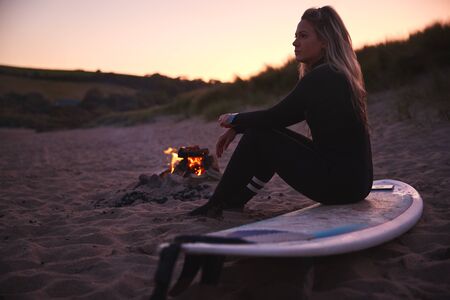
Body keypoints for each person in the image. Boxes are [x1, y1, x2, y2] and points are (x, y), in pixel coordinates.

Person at [189, 6, 373, 218]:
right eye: (295, 36)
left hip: (341, 186)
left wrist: (234, 119)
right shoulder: (334, 74)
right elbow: (277, 121)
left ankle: (215, 205)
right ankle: (232, 202)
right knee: (264, 134)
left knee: (260, 136)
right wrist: (239, 127)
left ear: (325, 41)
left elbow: (274, 117)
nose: (295, 42)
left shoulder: (325, 76)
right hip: (353, 184)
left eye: (303, 36)